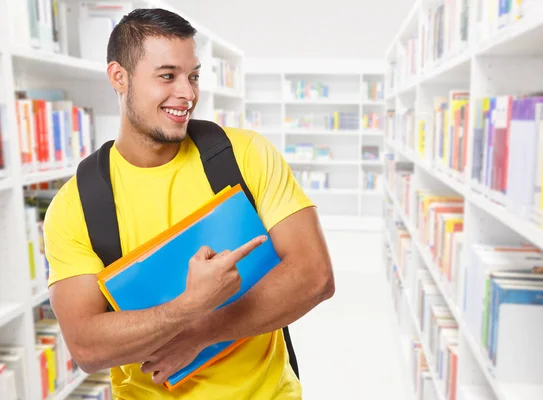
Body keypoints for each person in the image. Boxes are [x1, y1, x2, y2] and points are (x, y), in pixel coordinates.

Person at [43, 7, 335, 400]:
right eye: (167, 76)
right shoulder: (76, 205)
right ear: (119, 77)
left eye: (193, 76)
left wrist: (204, 330)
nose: (188, 93)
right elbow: (87, 347)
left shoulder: (245, 155)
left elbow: (315, 277)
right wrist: (188, 306)